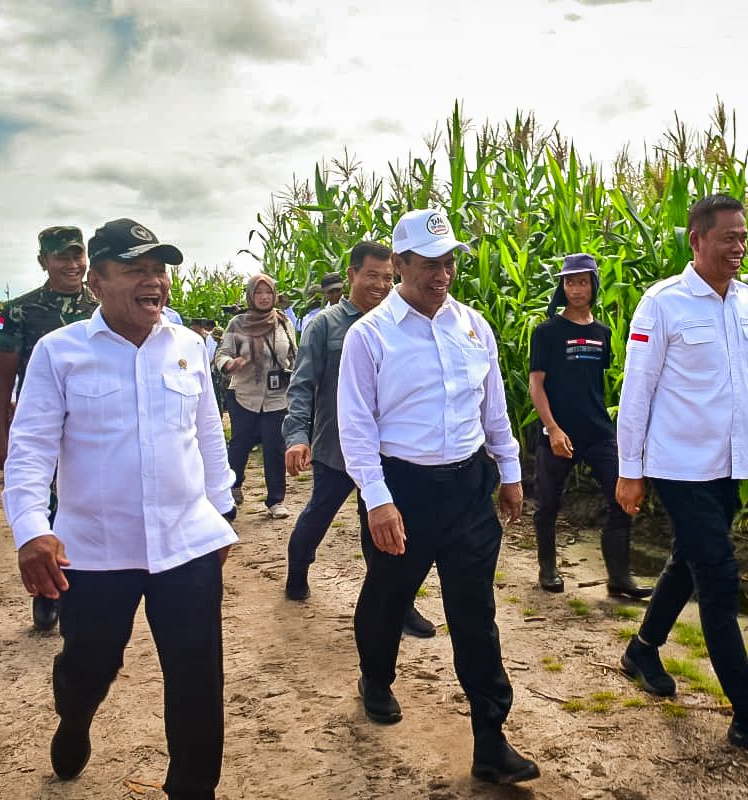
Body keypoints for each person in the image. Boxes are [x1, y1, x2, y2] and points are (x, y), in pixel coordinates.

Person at [2, 218, 237, 798]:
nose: (154, 280)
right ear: (98, 281)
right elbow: (29, 448)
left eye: (159, 269)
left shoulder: (189, 345)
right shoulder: (60, 353)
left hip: (188, 546)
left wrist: (222, 513)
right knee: (89, 666)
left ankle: (191, 789)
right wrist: (31, 529)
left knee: (197, 682)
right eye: (136, 269)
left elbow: (208, 434)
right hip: (96, 551)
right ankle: (76, 716)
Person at [615, 194, 748, 759]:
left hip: (729, 466)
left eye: (743, 237)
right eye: (727, 238)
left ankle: (643, 649)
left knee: (688, 562)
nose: (738, 248)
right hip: (678, 467)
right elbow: (635, 393)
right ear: (697, 241)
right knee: (718, 575)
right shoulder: (662, 305)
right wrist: (629, 471)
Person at [338, 209, 538, 785]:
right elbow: (356, 426)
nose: (442, 273)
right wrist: (377, 499)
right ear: (400, 265)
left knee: (475, 613)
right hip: (404, 490)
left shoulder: (472, 325)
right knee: (387, 595)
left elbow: (493, 406)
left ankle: (490, 740)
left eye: (449, 260)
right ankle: (376, 677)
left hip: (470, 489)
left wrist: (509, 470)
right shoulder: (369, 336)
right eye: (429, 263)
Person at [281, 241, 435, 637]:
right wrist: (297, 436)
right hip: (336, 449)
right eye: (372, 276)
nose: (381, 285)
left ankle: (400, 606)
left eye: (388, 277)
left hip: (387, 453)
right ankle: (298, 569)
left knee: (389, 532)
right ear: (351, 275)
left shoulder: (401, 325)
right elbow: (302, 386)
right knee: (317, 517)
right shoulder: (325, 325)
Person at [0, 225, 99, 631]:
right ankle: (49, 594)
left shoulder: (101, 306)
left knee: (84, 508)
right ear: (43, 262)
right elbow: (2, 380)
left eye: (77, 255)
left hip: (91, 430)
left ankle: (83, 585)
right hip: (41, 428)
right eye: (62, 257)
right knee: (47, 513)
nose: (72, 264)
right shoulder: (19, 312)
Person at [528, 254, 652, 599]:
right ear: (562, 286)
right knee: (548, 503)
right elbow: (536, 385)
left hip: (598, 431)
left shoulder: (603, 332)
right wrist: (552, 428)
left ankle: (618, 577)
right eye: (569, 282)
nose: (576, 289)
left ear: (594, 285)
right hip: (558, 432)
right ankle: (548, 568)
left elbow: (594, 384)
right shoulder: (547, 332)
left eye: (582, 282)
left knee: (622, 497)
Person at [214, 274, 296, 517]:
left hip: (277, 397)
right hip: (244, 394)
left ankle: (275, 501)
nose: (263, 297)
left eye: (268, 292)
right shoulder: (237, 324)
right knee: (240, 445)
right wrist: (230, 364)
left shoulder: (283, 322)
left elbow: (294, 353)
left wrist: (291, 370)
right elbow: (222, 353)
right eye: (258, 293)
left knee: (274, 447)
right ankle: (233, 486)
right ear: (251, 296)